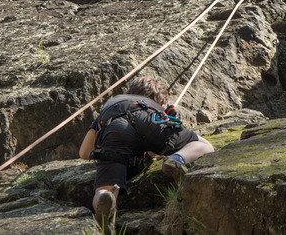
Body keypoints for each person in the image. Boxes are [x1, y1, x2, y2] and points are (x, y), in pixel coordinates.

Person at [79, 76, 214, 234]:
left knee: (105, 190)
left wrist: (111, 153)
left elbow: (84, 152)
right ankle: (176, 159)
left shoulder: (115, 102)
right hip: (151, 121)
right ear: (162, 103)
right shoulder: (156, 107)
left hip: (116, 128)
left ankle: (105, 203)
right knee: (204, 145)